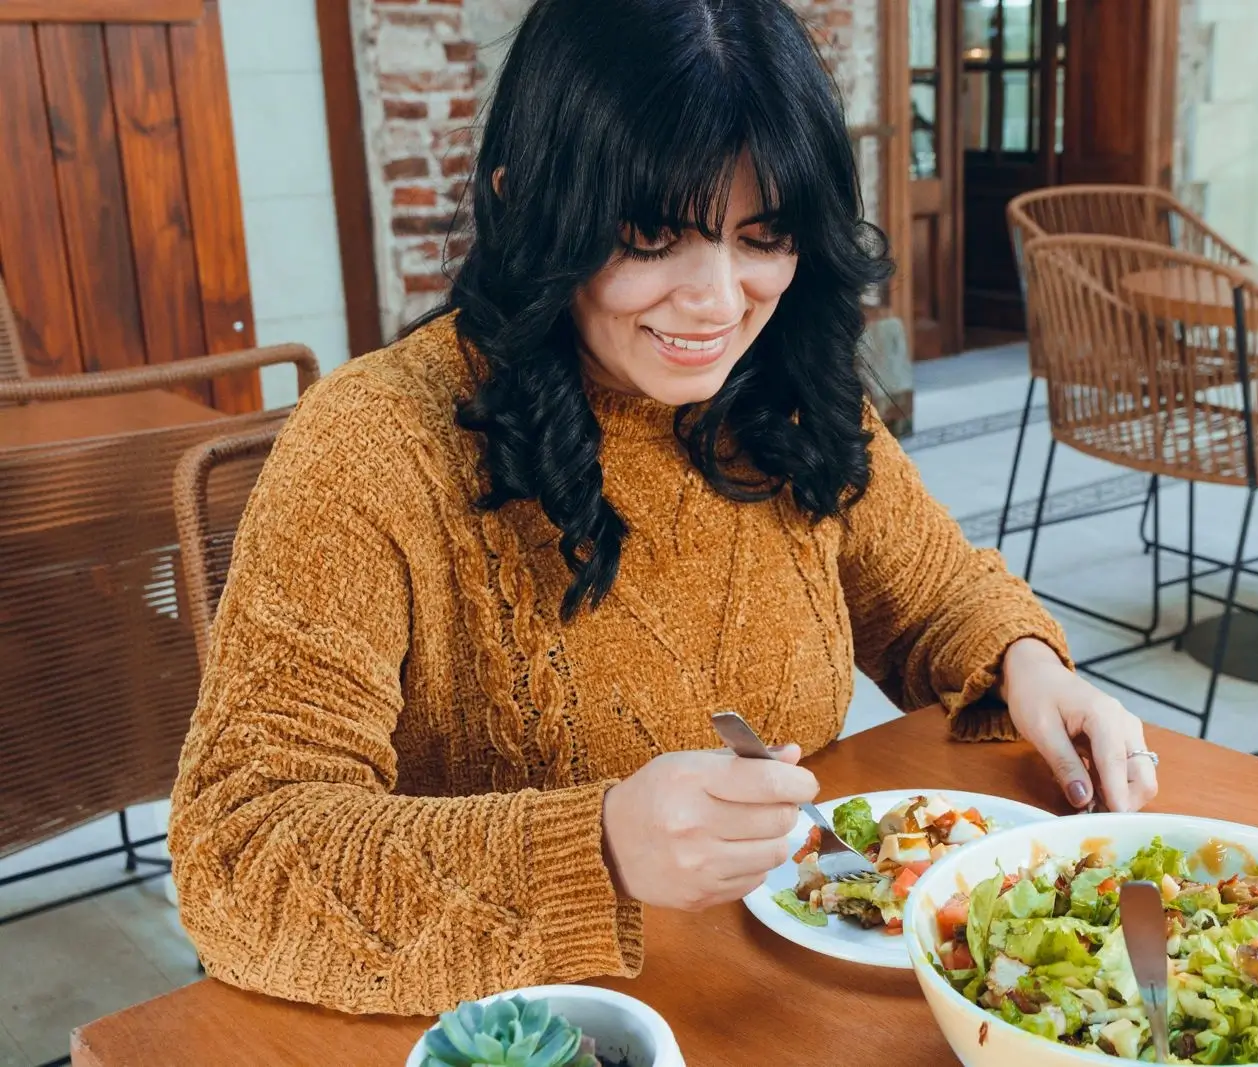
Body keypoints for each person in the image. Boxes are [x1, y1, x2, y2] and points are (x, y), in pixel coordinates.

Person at [168, 0, 1158, 1017]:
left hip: (757, 998)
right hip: (502, 1025)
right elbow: (235, 858)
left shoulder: (781, 386)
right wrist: (599, 845)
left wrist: (1026, 664)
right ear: (528, 206)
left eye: (763, 236)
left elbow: (930, 591)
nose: (718, 301)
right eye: (650, 237)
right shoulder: (372, 447)